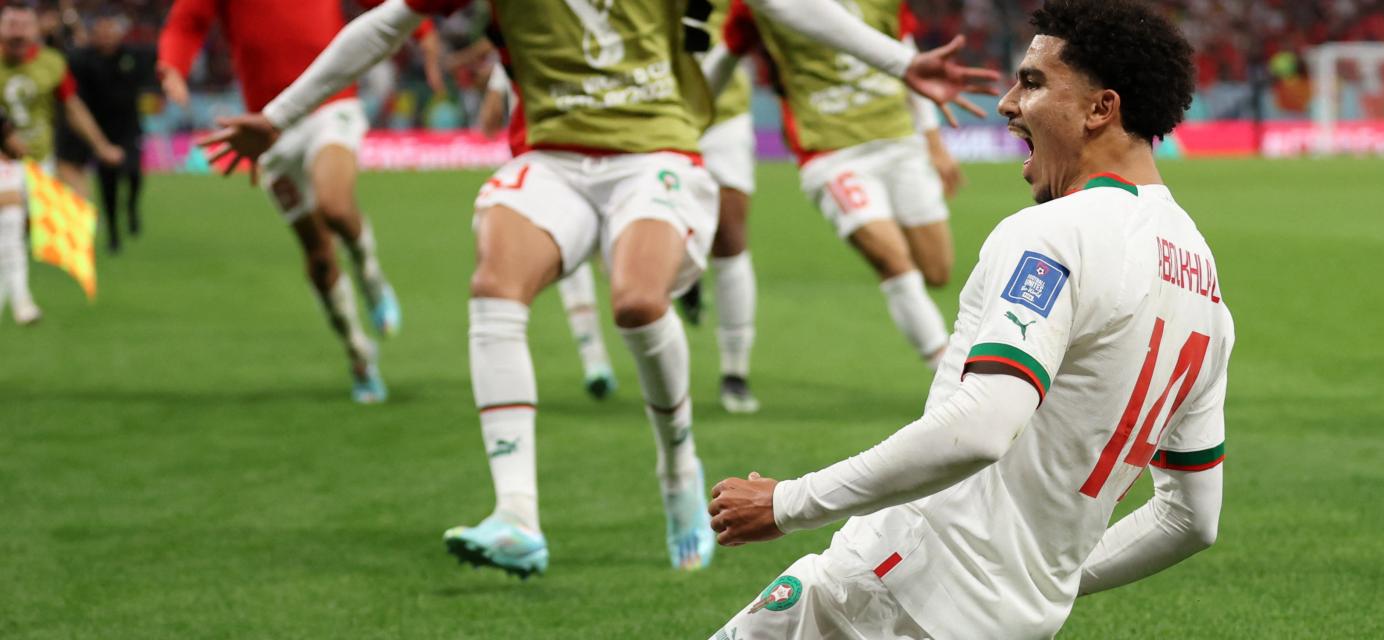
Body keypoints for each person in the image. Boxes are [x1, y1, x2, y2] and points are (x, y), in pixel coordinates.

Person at [198, 0, 998, 578]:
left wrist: (900, 62)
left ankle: (677, 465)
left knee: (637, 301)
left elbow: (784, 5)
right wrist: (279, 113)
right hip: (551, 160)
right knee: (493, 285)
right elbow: (387, 23)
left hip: (657, 159)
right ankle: (517, 515)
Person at [707, 1, 1229, 637]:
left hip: (891, 590)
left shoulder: (1055, 233)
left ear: (1101, 108)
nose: (1008, 103)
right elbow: (1191, 520)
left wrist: (788, 502)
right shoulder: (1205, 284)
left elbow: (983, 425)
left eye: (1032, 83)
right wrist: (1034, 584)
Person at [157, 0, 420, 403]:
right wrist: (172, 65)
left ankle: (370, 276)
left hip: (330, 105)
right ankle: (359, 355)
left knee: (334, 206)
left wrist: (425, 30)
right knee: (318, 257)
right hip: (268, 129)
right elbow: (188, 21)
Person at [703, 0, 967, 370]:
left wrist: (933, 142)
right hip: (831, 154)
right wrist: (691, 118)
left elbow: (905, 49)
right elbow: (726, 56)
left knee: (937, 270)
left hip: (898, 140)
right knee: (891, 260)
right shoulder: (759, 7)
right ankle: (951, 374)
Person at [476, 61, 618, 401]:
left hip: (547, 172)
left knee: (573, 261)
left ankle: (595, 360)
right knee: (623, 272)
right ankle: (601, 362)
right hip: (603, 165)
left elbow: (487, 124)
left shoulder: (513, 46)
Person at [0, 1, 124, 327]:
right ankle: (23, 302)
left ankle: (10, 298)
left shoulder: (52, 64)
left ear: (35, 29)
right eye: (10, 24)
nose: (16, 32)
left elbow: (72, 107)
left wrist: (100, 145)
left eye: (23, 25)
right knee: (9, 222)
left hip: (39, 160)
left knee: (15, 233)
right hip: (3, 159)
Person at [681, 0, 763, 413]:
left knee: (730, 237)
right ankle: (686, 273)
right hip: (649, 114)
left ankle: (735, 372)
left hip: (722, 114)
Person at [63, 9, 152, 255]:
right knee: (108, 182)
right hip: (100, 131)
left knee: (133, 173)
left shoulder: (133, 56)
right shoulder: (83, 60)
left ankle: (132, 208)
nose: (106, 36)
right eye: (100, 31)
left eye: (110, 30)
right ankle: (114, 234)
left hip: (129, 128)